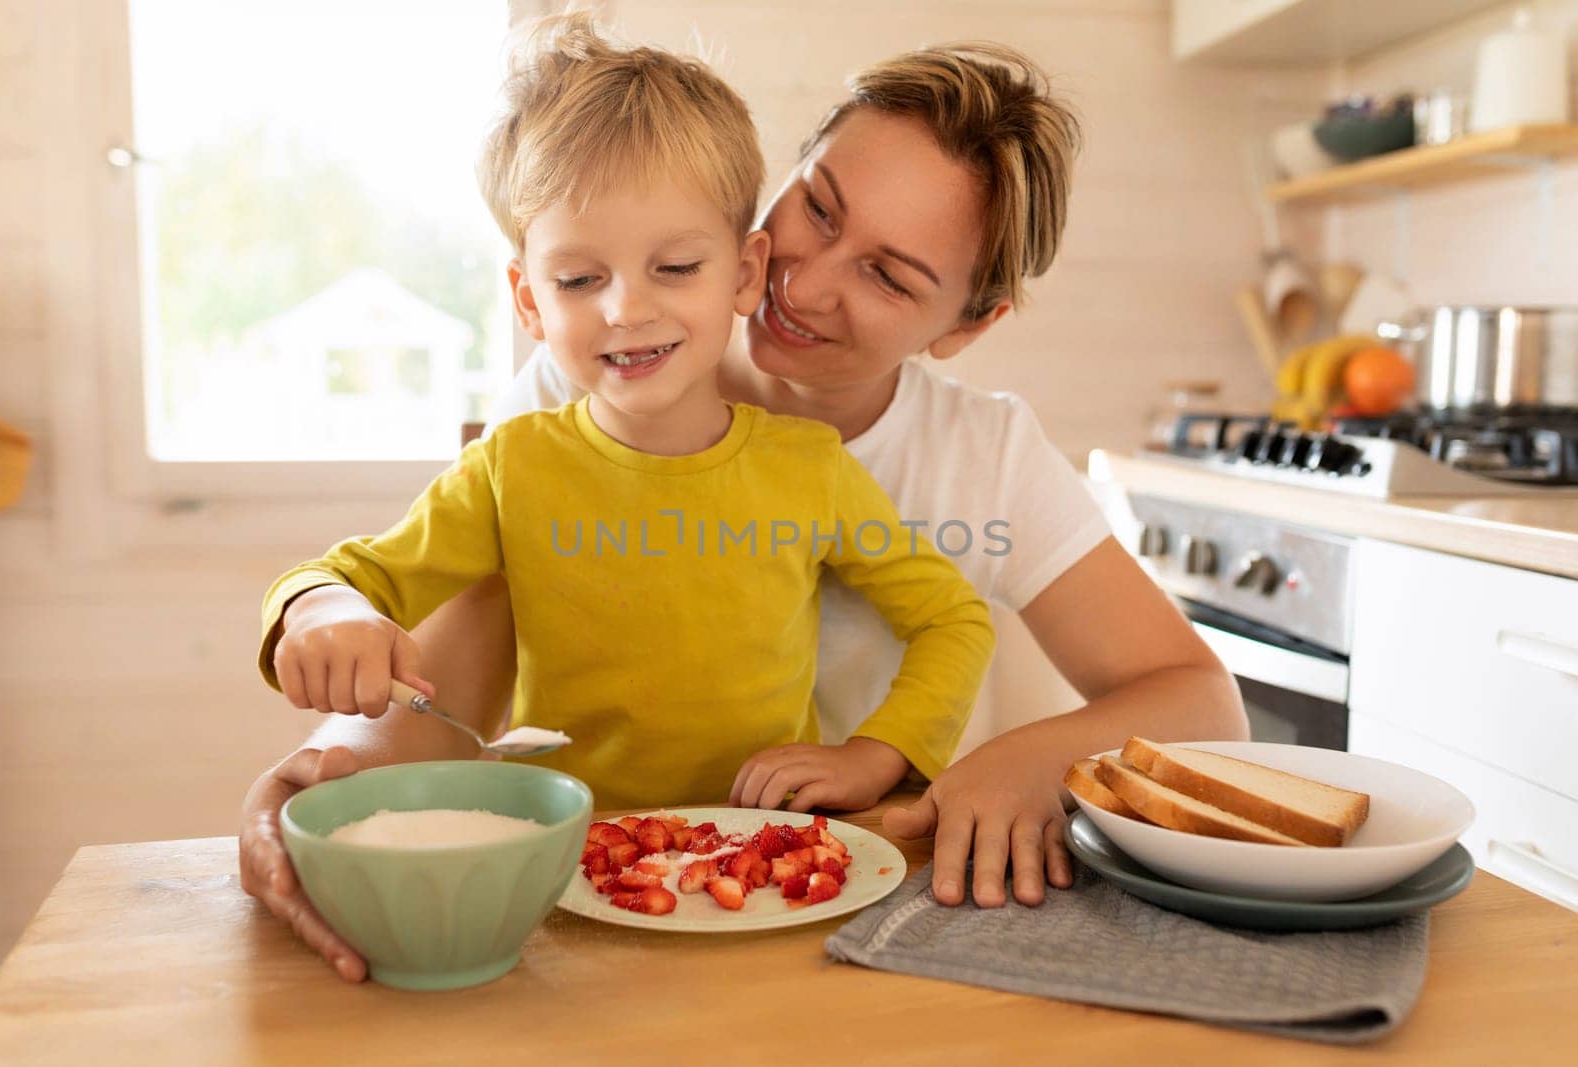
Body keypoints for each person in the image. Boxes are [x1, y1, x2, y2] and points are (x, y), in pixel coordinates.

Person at [241, 34, 1246, 984]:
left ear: (967, 324)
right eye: (815, 206)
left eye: (889, 276)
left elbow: (1202, 702)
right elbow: (442, 691)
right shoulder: (587, 394)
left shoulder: (984, 454)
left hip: (857, 915)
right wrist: (325, 782)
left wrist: (1027, 757)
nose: (801, 280)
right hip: (613, 910)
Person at [259, 17, 994, 822]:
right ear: (530, 301)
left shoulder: (810, 469)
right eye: (578, 278)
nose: (626, 309)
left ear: (746, 273)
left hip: (765, 866)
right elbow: (346, 579)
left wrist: (874, 754)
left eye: (675, 267)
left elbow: (953, 619)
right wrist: (324, 611)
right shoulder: (512, 467)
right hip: (567, 866)